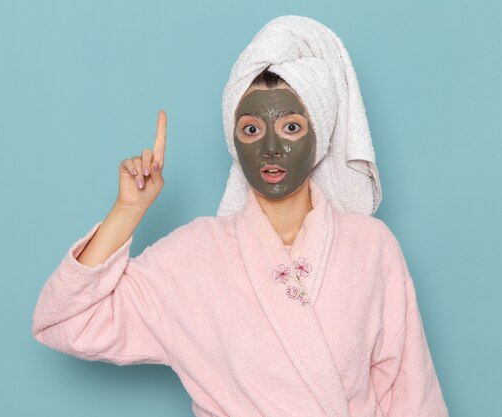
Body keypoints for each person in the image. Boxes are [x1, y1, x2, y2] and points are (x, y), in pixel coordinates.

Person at [32, 16, 449, 417]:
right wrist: (127, 211)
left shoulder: (371, 247)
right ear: (234, 143)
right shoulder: (193, 258)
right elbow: (67, 321)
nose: (270, 148)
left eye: (290, 128)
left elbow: (411, 395)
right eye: (251, 129)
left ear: (319, 136)